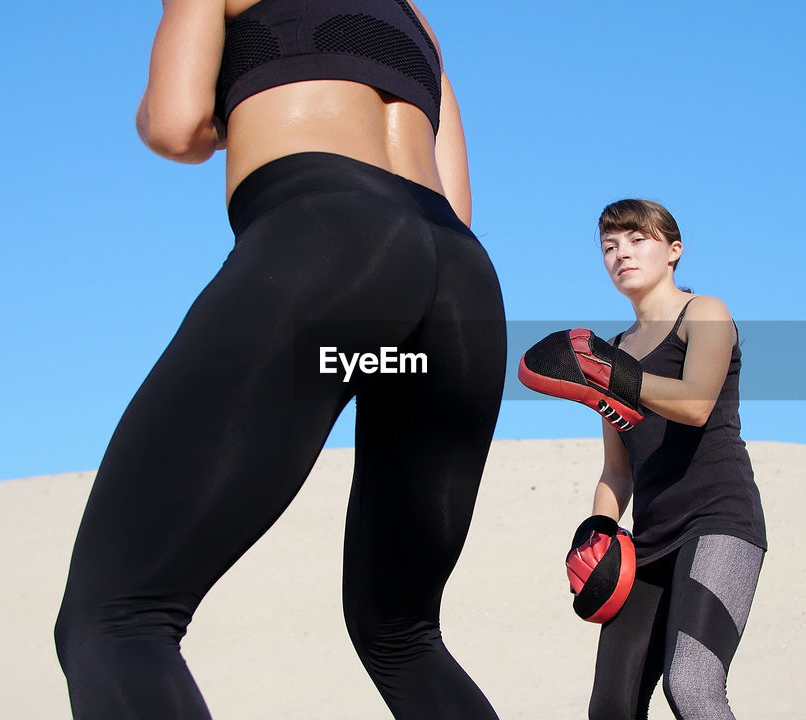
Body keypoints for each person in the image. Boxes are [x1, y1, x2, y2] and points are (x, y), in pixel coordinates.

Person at [52, 1, 505, 718]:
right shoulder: (418, 19)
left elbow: (176, 127)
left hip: (329, 244)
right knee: (403, 634)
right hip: (458, 292)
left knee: (115, 616)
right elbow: (458, 201)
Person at [520, 199, 766, 719]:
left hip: (719, 523)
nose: (621, 254)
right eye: (609, 247)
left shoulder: (705, 313)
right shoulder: (613, 349)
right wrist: (597, 529)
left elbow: (696, 403)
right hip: (649, 541)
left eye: (637, 240)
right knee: (612, 707)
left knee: (692, 686)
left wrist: (615, 375)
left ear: (674, 251)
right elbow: (617, 468)